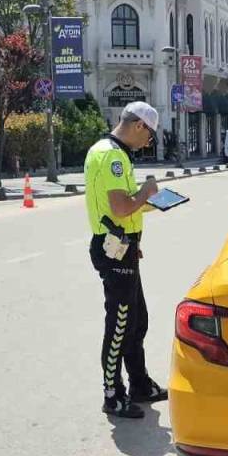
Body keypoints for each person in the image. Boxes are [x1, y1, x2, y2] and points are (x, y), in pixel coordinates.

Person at [84, 101, 169, 419]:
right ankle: (113, 395)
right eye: (150, 135)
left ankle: (140, 385)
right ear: (138, 126)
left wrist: (147, 205)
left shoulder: (109, 151)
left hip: (124, 247)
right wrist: (147, 192)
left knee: (136, 321)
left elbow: (122, 207)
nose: (149, 142)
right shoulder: (112, 157)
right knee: (120, 326)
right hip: (113, 249)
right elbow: (121, 208)